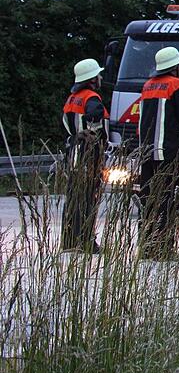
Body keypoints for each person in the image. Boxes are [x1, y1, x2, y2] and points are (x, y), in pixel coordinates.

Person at [137, 46, 179, 261]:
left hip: (146, 152)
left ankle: (146, 246)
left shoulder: (148, 86)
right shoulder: (177, 85)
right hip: (167, 152)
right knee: (166, 200)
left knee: (148, 200)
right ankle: (162, 248)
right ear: (174, 67)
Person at [60, 58, 110, 254]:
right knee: (88, 199)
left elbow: (65, 125)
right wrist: (95, 137)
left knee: (73, 199)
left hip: (73, 155)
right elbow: (95, 117)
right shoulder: (91, 98)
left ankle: (70, 240)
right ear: (91, 78)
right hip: (89, 156)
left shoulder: (72, 99)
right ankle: (87, 242)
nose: (100, 77)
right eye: (98, 74)